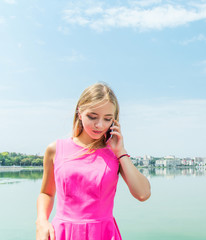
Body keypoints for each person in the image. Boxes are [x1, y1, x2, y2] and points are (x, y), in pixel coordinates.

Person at [35, 82, 151, 240]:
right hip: (63, 233)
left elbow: (143, 194)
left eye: (107, 119)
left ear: (114, 121)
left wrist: (121, 152)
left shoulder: (115, 154)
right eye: (92, 116)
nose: (99, 125)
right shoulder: (55, 149)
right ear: (80, 111)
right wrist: (41, 221)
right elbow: (46, 193)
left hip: (103, 233)